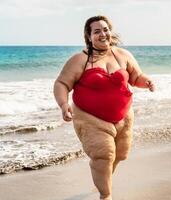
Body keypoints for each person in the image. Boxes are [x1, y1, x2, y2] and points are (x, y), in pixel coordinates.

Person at [53, 15, 155, 200]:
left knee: (121, 155)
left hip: (124, 117)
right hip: (90, 118)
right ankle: (105, 195)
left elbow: (135, 77)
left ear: (110, 31)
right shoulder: (79, 60)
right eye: (97, 31)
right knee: (104, 156)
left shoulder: (122, 54)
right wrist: (63, 104)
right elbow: (61, 83)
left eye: (105, 29)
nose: (103, 34)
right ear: (89, 36)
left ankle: (102, 178)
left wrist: (146, 82)